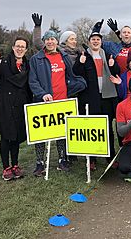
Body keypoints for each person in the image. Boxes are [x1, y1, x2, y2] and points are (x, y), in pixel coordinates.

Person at [28, 30, 87, 176]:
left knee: (62, 133)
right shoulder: (36, 59)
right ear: (44, 42)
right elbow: (33, 81)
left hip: (62, 101)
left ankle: (62, 159)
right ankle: (40, 163)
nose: (50, 42)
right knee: (41, 134)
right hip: (44, 101)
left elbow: (70, 75)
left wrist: (79, 84)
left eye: (52, 39)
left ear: (56, 41)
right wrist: (42, 94)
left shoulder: (64, 56)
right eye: (47, 39)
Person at [0, 37, 32, 181]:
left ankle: (15, 165)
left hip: (20, 104)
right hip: (4, 104)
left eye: (23, 47)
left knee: (16, 137)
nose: (20, 49)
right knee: (6, 136)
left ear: (26, 49)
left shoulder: (27, 64)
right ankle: (6, 167)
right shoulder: (3, 63)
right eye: (17, 46)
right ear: (13, 47)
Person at [73, 29, 119, 167]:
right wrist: (80, 63)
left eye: (98, 39)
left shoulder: (108, 55)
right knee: (92, 127)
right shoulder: (84, 56)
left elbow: (116, 72)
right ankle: (92, 159)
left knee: (107, 127)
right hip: (90, 97)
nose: (95, 41)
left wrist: (113, 65)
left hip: (106, 96)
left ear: (101, 42)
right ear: (89, 42)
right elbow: (76, 72)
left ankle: (110, 155)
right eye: (93, 39)